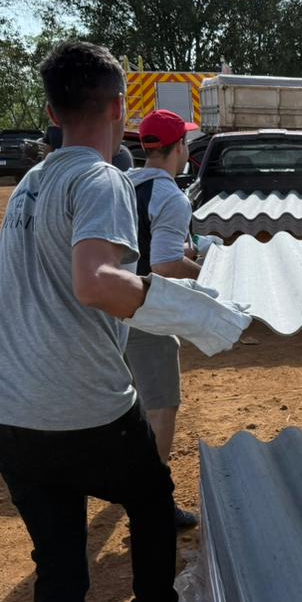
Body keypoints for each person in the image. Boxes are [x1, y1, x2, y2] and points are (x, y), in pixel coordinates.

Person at [0, 41, 249, 602]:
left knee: (61, 564)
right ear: (121, 107)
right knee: (152, 502)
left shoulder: (31, 182)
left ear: (51, 112)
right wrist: (200, 315)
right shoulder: (101, 179)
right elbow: (96, 281)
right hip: (80, 407)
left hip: (3, 409)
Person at [124, 109, 204, 529]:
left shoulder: (124, 184)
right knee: (161, 406)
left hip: (108, 310)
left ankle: (131, 485)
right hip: (146, 312)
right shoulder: (171, 196)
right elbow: (166, 262)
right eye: (186, 142)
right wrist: (207, 272)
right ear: (179, 150)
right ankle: (153, 504)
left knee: (128, 402)